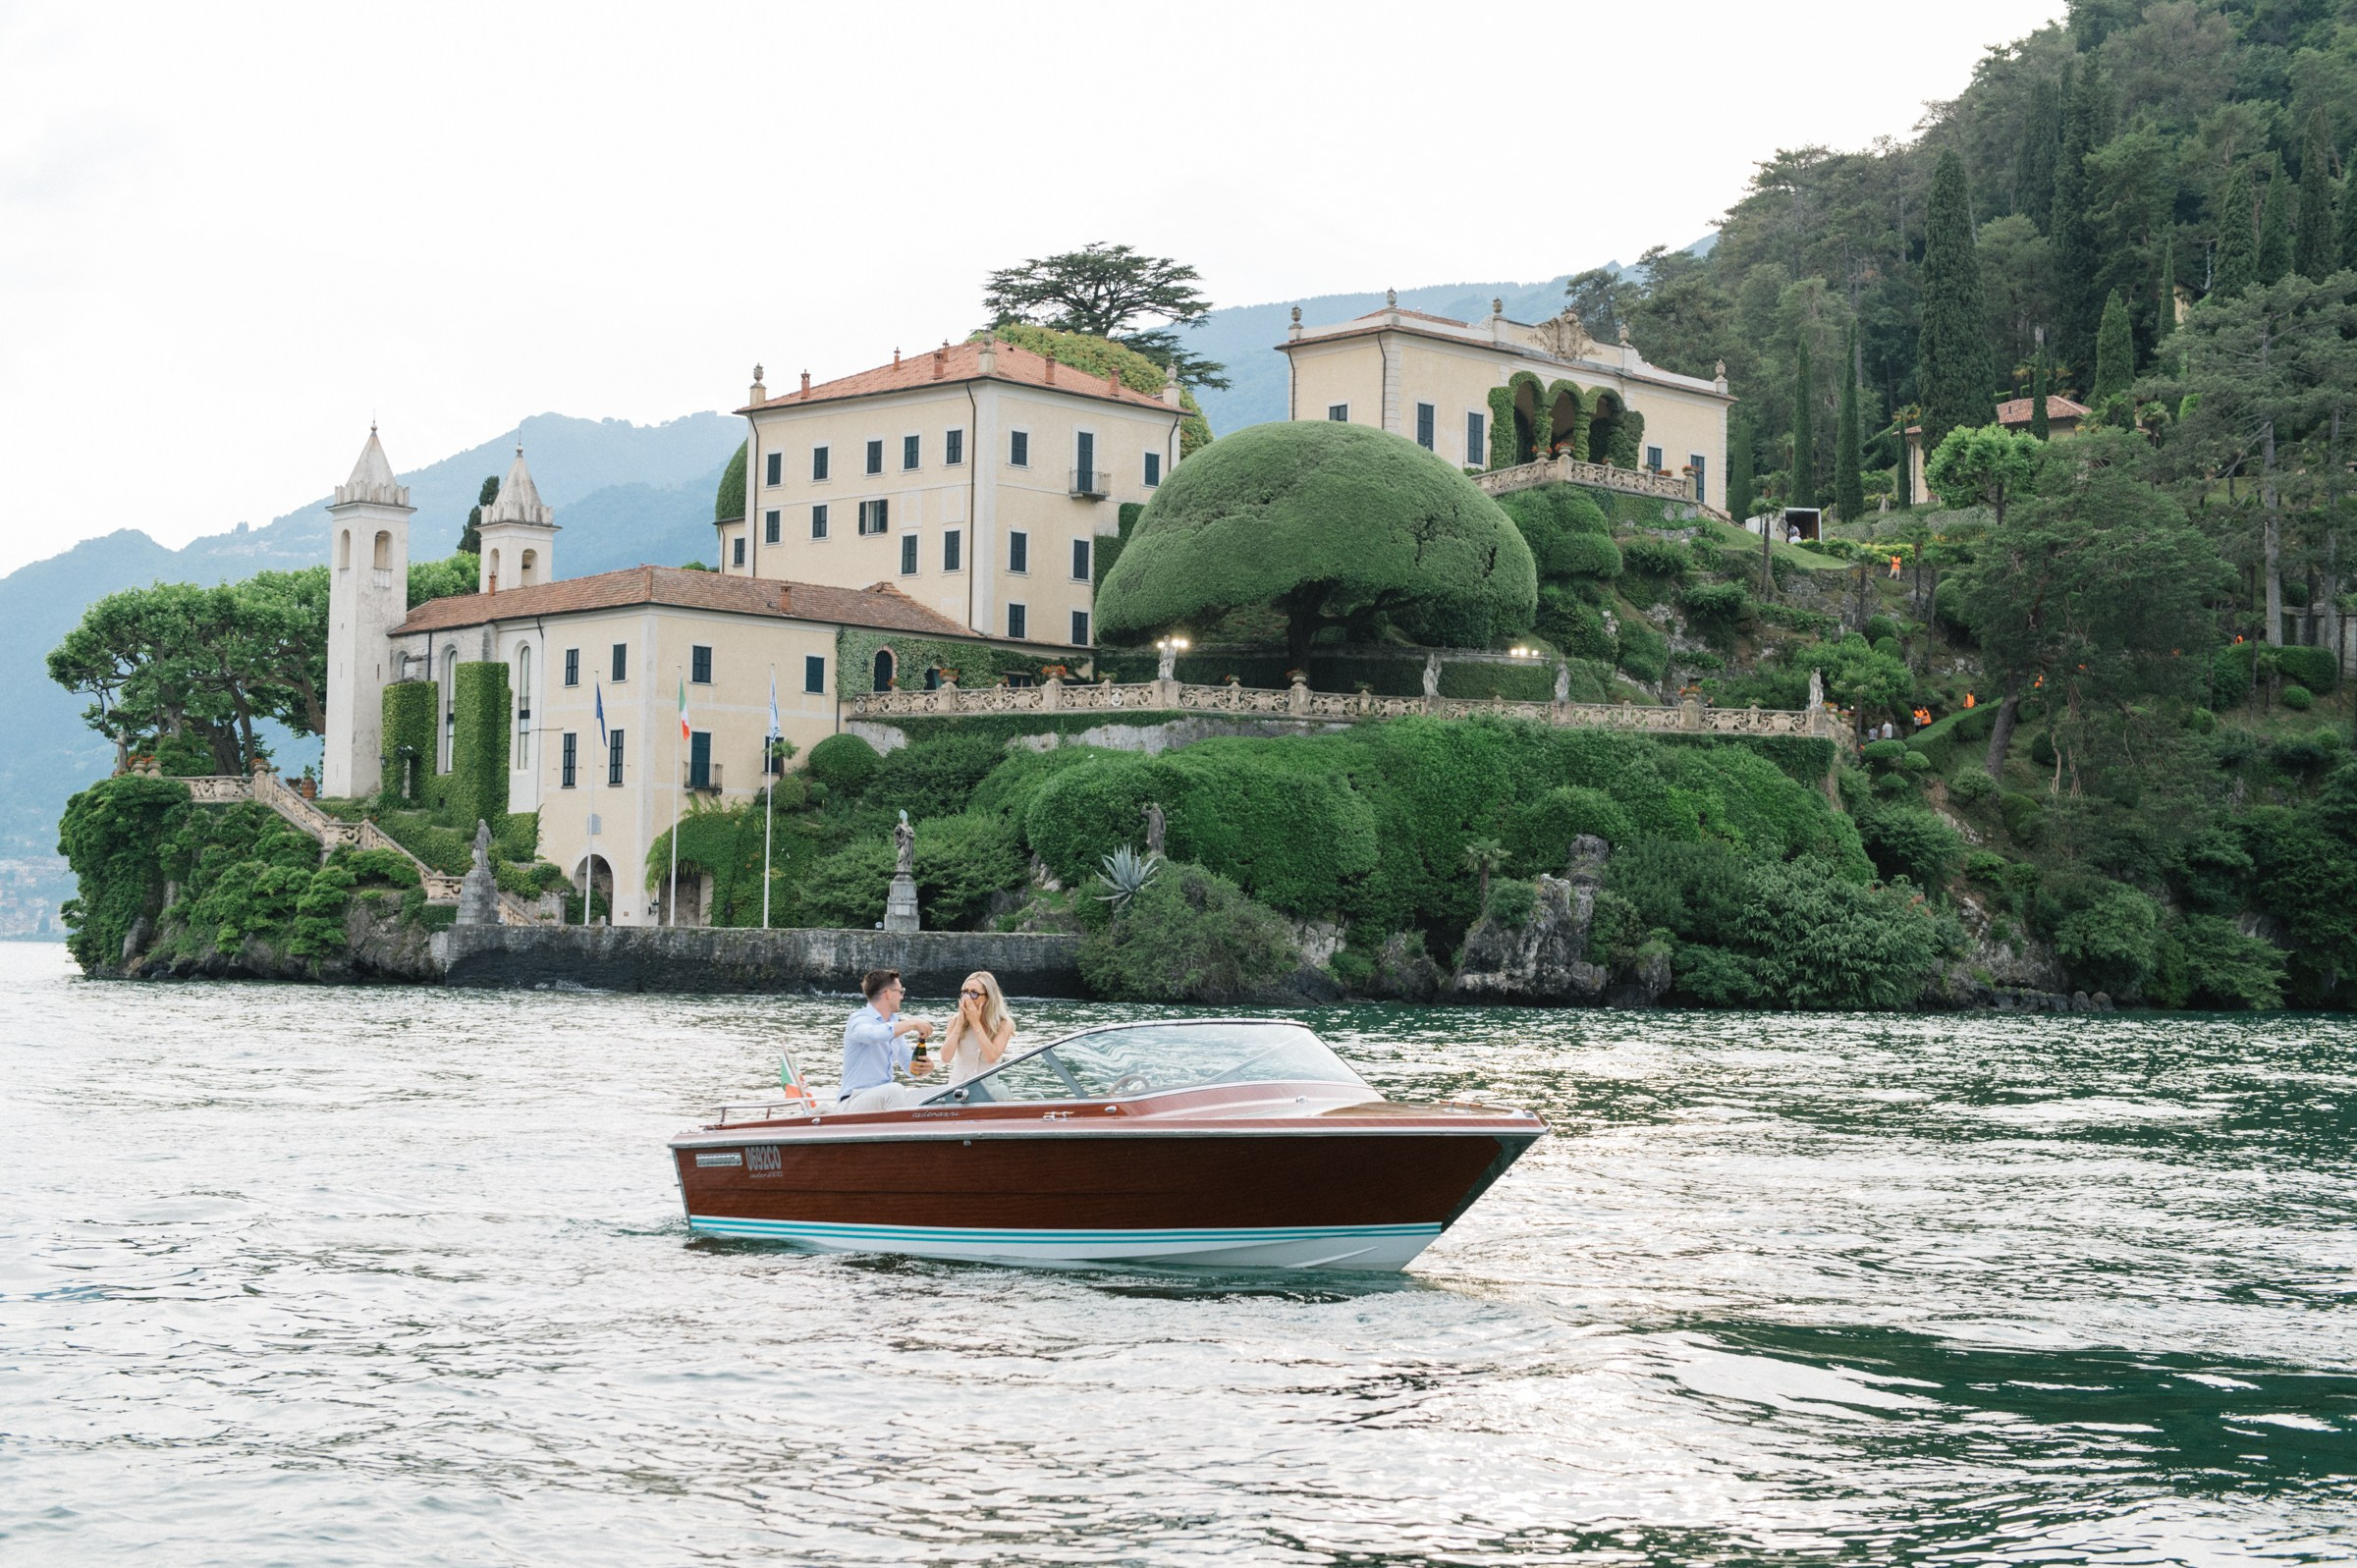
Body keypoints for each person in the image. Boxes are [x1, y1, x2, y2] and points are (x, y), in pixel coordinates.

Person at [837, 968, 935, 1112]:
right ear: (888, 994)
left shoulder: (895, 1025)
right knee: (894, 1090)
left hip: (881, 1100)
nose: (902, 997)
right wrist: (911, 1024)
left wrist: (925, 1068)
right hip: (854, 1101)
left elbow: (910, 1068)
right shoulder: (858, 1019)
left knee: (936, 1095)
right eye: (900, 991)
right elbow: (871, 1035)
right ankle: (903, 1134)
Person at [938, 970, 1016, 1085]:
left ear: (988, 997)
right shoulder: (955, 1021)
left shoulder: (1004, 1023)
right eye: (965, 992)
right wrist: (959, 1024)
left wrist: (975, 1023)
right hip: (958, 1088)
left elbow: (992, 1056)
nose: (968, 998)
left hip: (988, 1090)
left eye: (974, 993)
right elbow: (945, 1057)